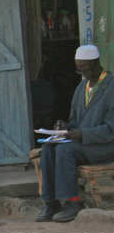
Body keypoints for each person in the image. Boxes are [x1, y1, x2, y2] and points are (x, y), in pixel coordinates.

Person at [37, 44, 114, 223]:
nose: (81, 73)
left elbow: (111, 129)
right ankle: (51, 202)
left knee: (66, 151)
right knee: (49, 147)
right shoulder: (82, 88)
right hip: (84, 143)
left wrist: (80, 134)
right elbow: (75, 121)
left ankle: (72, 202)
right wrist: (65, 126)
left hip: (105, 145)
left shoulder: (111, 86)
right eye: (78, 69)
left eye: (84, 68)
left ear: (96, 64)